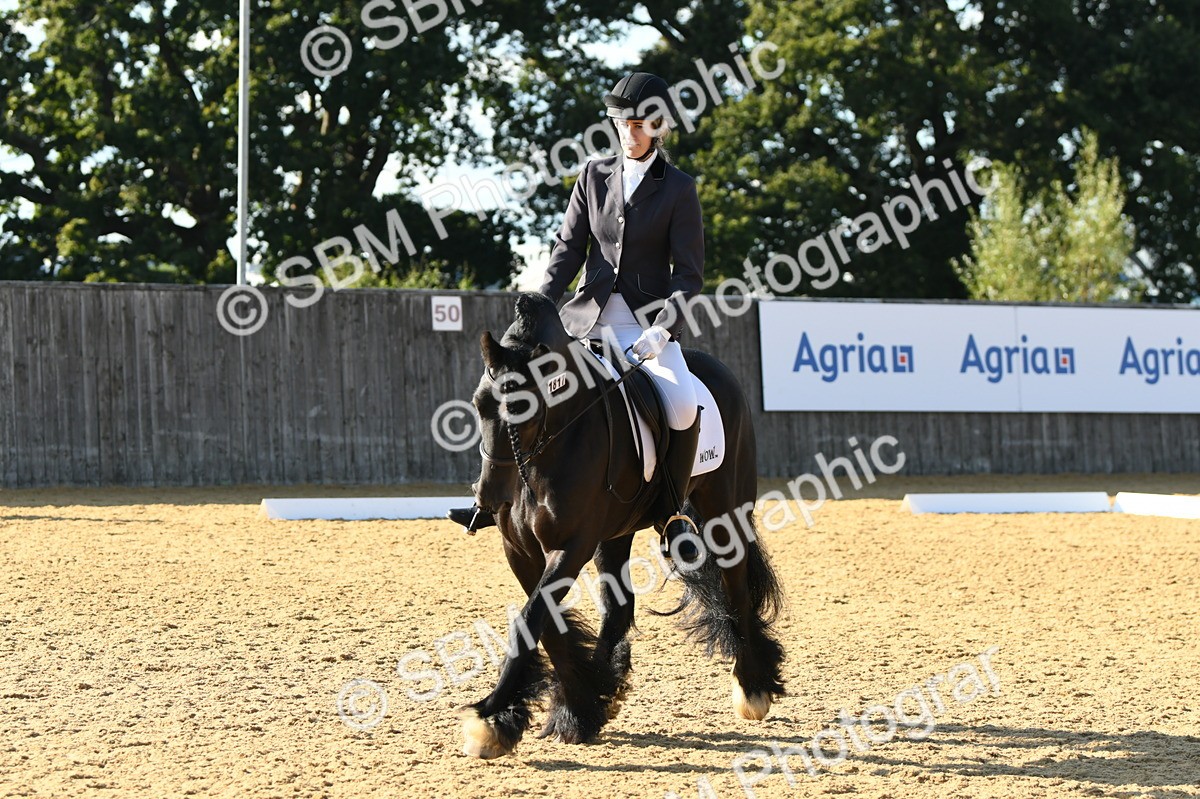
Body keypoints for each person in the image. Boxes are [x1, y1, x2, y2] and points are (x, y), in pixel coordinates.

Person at [450, 72, 704, 537]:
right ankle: (492, 495)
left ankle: (672, 516)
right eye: (622, 124)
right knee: (514, 390)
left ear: (659, 127)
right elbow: (568, 248)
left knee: (684, 406)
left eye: (639, 125)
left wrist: (664, 328)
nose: (629, 133)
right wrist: (540, 303)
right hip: (585, 323)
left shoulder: (678, 188)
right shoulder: (593, 174)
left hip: (645, 328)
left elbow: (688, 274)